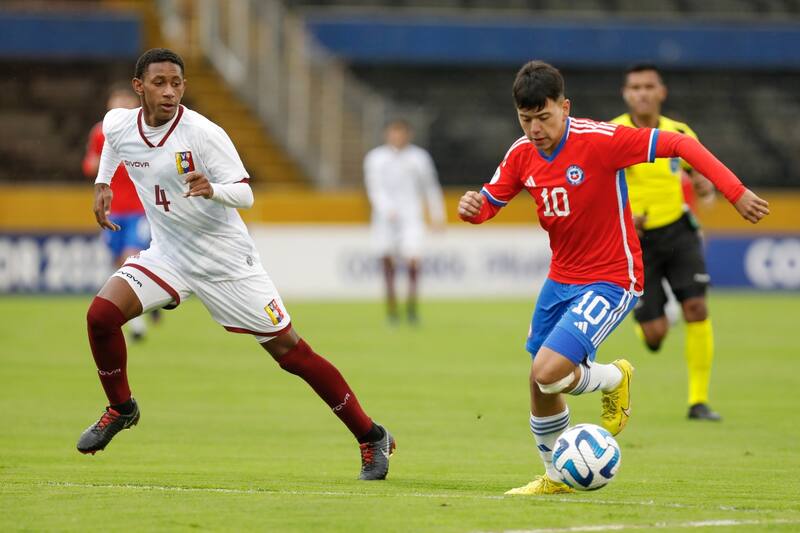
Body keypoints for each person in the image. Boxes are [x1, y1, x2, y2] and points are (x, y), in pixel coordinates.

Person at [77, 48, 395, 480]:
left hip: (225, 261)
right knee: (101, 315)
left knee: (291, 353)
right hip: (168, 255)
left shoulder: (203, 134)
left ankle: (370, 435)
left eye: (176, 83)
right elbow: (115, 145)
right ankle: (121, 407)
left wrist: (213, 189)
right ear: (139, 87)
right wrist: (102, 184)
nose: (169, 92)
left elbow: (245, 193)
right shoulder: (118, 123)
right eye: (159, 83)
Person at [458, 60, 768, 495]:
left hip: (611, 278)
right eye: (526, 119)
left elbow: (680, 145)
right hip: (560, 278)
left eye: (544, 117)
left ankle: (614, 378)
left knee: (548, 372)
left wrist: (736, 192)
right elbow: (490, 202)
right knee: (539, 379)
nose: (535, 129)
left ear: (565, 107)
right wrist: (473, 209)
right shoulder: (520, 153)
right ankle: (555, 476)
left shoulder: (602, 141)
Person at [611, 64, 722, 421]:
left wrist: (705, 185)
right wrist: (626, 218)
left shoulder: (680, 132)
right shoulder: (612, 133)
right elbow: (596, 187)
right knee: (655, 335)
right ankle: (649, 323)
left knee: (697, 309)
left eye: (648, 86)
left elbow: (701, 173)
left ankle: (698, 401)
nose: (642, 93)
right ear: (626, 94)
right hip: (637, 241)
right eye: (635, 87)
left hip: (678, 232)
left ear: (662, 92)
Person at [82, 83, 160, 341]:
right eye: (118, 99)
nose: (122, 104)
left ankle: (137, 328)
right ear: (109, 104)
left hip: (140, 208)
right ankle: (152, 301)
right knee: (119, 263)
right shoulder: (100, 133)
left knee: (130, 259)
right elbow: (89, 165)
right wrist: (97, 165)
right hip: (113, 210)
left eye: (127, 99)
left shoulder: (145, 131)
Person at [364, 119, 446, 324]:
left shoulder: (419, 158)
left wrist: (437, 215)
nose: (397, 137)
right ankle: (392, 309)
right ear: (387, 134)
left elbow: (430, 187)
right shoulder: (376, 158)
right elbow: (374, 188)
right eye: (394, 133)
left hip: (411, 216)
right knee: (387, 261)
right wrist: (386, 208)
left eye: (401, 133)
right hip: (385, 219)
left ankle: (411, 307)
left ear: (408, 135)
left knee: (413, 259)